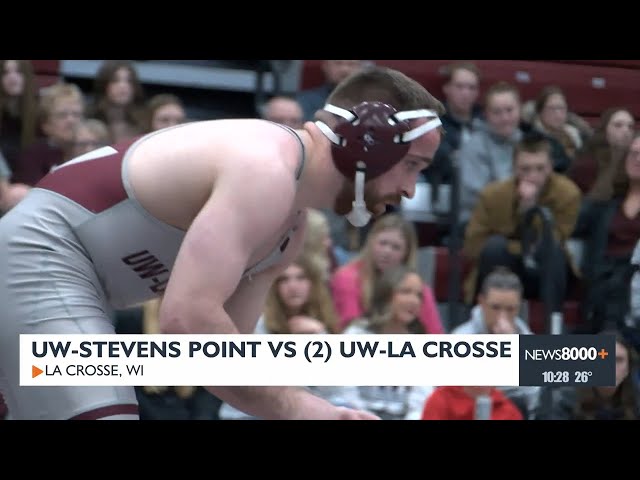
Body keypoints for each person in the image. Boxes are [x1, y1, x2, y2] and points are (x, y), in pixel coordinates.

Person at [0, 65, 445, 420]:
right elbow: (187, 321)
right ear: (373, 142)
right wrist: (306, 408)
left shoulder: (289, 232)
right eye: (413, 165)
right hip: (41, 254)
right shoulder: (265, 169)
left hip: (64, 276)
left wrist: (320, 410)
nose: (410, 190)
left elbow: (215, 362)